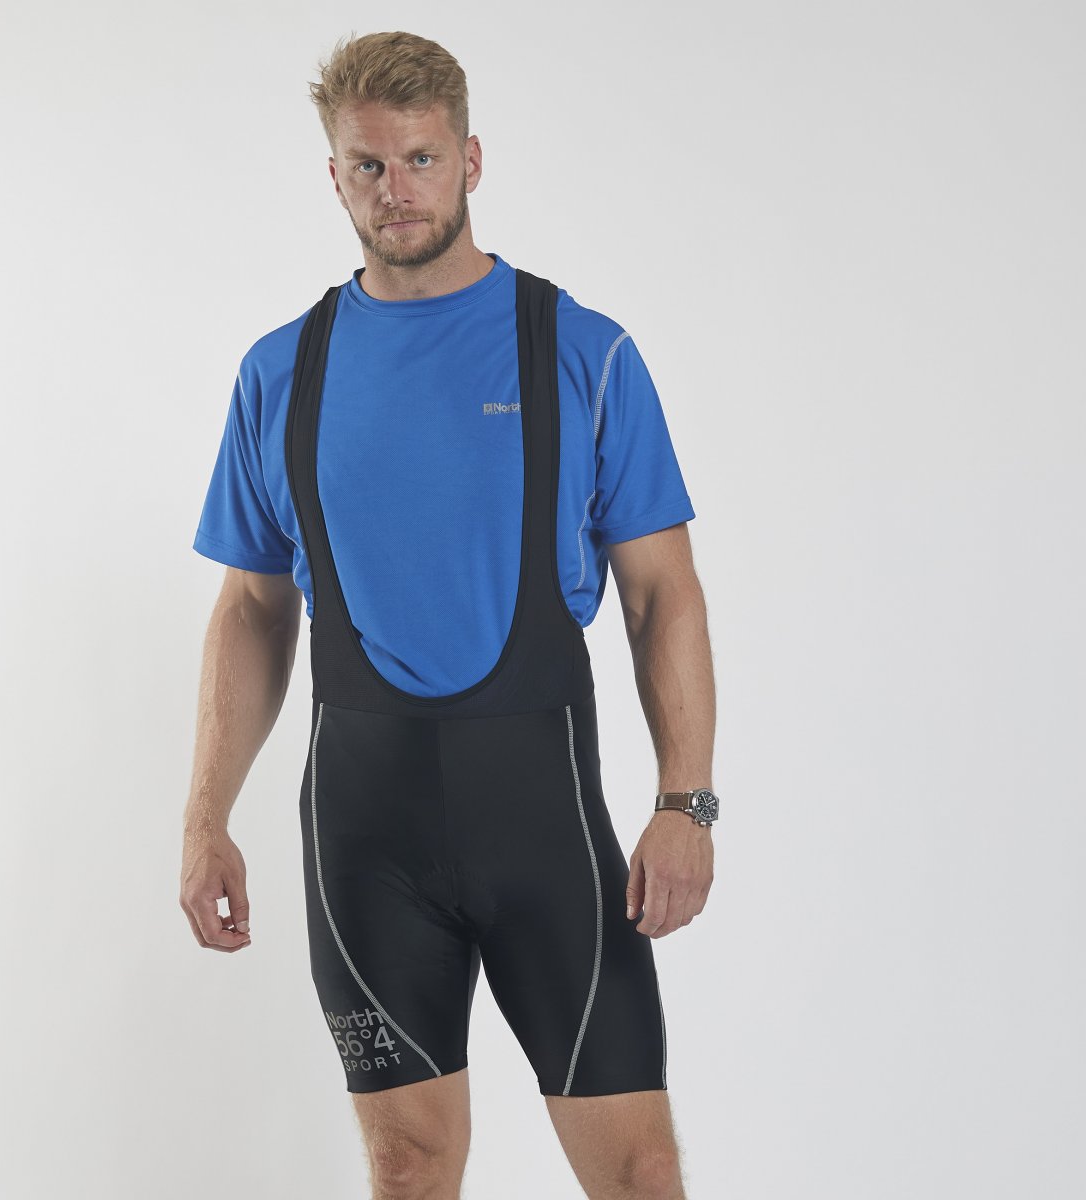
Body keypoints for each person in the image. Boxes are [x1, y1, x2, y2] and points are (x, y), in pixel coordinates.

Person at [180, 29, 718, 1200]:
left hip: (545, 832)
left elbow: (663, 592)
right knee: (409, 1168)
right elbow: (253, 609)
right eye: (368, 166)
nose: (397, 189)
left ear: (471, 159)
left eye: (421, 159)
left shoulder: (583, 352)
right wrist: (205, 816)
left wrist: (686, 802)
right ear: (334, 176)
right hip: (365, 839)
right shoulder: (281, 372)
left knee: (640, 1172)